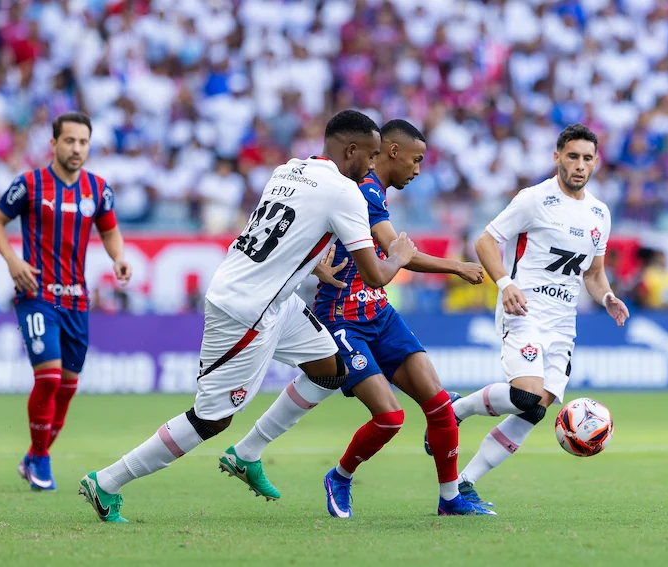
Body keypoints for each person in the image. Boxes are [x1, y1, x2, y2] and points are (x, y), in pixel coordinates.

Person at [79, 110, 417, 523]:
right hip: (246, 310)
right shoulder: (346, 193)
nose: (373, 164)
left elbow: (279, 233)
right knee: (211, 420)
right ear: (351, 150)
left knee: (331, 371)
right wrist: (399, 255)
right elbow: (375, 274)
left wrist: (310, 264)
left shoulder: (288, 170)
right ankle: (107, 482)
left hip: (274, 300)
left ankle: (248, 453)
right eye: (371, 155)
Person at [230, 119, 490, 517]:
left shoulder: (373, 192)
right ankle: (339, 476)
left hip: (378, 312)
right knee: (390, 417)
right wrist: (456, 266)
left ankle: (451, 498)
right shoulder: (365, 191)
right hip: (342, 318)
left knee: (440, 405)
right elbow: (396, 252)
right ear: (393, 152)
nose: (418, 170)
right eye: (416, 160)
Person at [434, 123, 630, 506]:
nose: (579, 165)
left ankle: (464, 484)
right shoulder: (534, 199)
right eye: (572, 156)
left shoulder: (599, 214)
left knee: (536, 409)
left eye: (587, 158)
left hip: (563, 323)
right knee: (525, 395)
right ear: (557, 157)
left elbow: (593, 273)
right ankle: (455, 409)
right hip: (523, 308)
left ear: (596, 163)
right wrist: (505, 283)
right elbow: (485, 241)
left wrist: (607, 296)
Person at [0, 111, 131, 492]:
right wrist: (13, 260)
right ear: (53, 144)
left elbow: (110, 231)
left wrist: (119, 257)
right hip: (36, 294)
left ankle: (33, 456)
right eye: (69, 141)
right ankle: (41, 461)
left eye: (83, 142)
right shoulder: (29, 184)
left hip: (77, 299)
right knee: (48, 378)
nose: (76, 148)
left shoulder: (98, 189)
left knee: (66, 387)